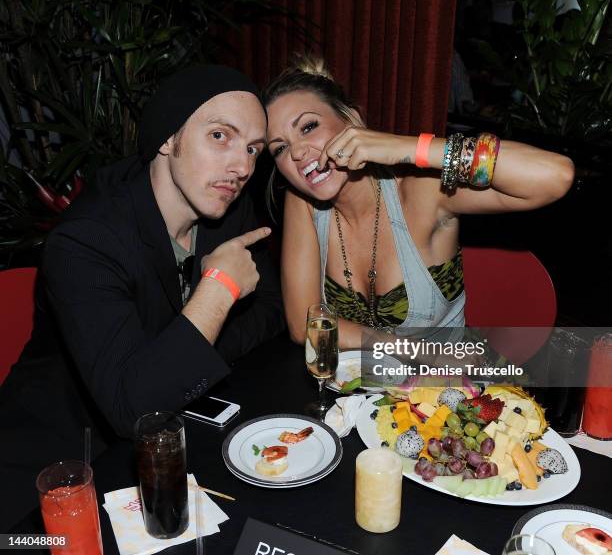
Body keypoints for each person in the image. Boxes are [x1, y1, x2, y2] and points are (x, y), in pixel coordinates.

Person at [0, 65, 285, 530]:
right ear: (168, 138)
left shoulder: (225, 212)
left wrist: (179, 357)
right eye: (220, 136)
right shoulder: (85, 242)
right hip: (48, 475)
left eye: (253, 148)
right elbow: (134, 411)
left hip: (163, 454)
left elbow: (272, 311)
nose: (243, 167)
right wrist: (216, 294)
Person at [263, 57, 574, 348]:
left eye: (308, 127)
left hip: (446, 392)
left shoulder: (420, 188)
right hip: (354, 396)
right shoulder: (302, 202)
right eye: (279, 149)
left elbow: (555, 175)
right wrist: (411, 351)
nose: (298, 153)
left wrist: (411, 147)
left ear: (351, 119)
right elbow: (303, 323)